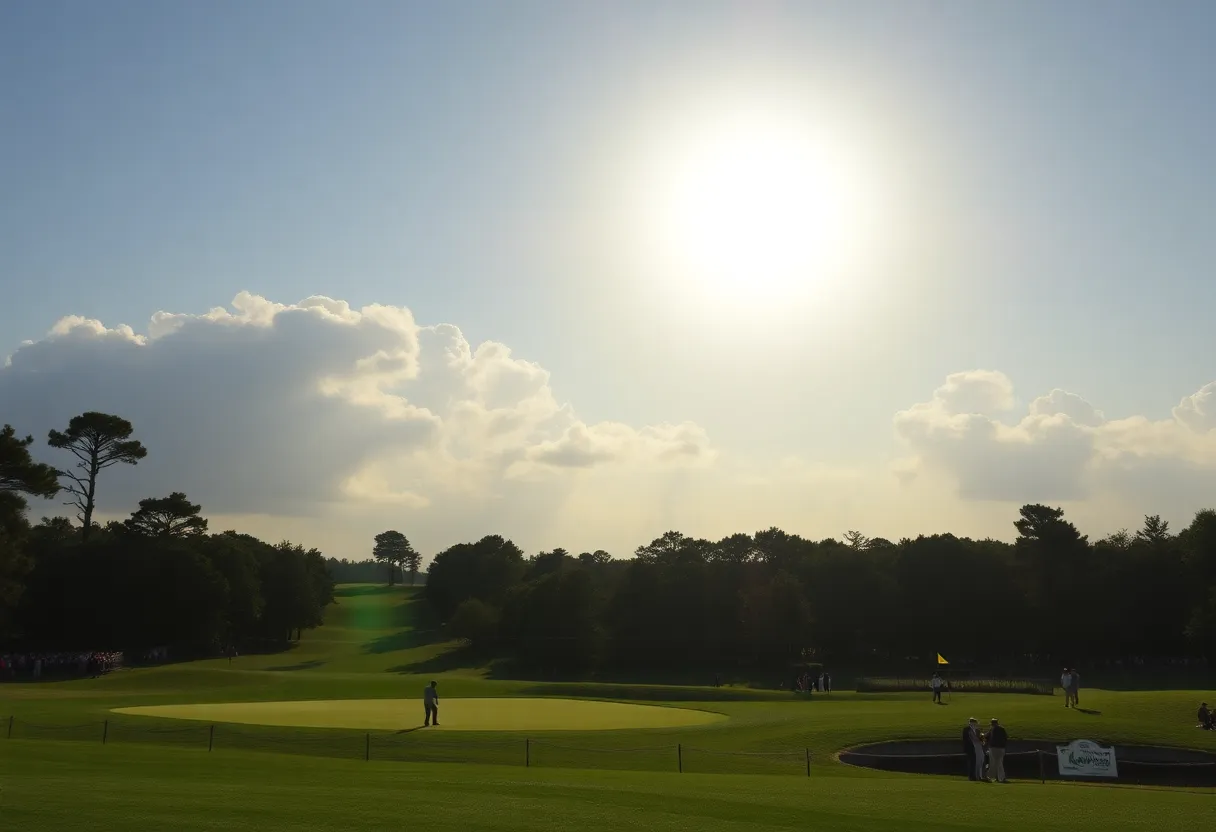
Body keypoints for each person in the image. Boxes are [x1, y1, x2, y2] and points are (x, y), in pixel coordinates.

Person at [987, 718, 1008, 783]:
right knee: (999, 763)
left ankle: (992, 777)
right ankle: (1000, 777)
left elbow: (987, 737)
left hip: (993, 748)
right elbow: (1006, 737)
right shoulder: (1002, 729)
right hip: (1001, 748)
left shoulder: (992, 729)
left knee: (993, 763)